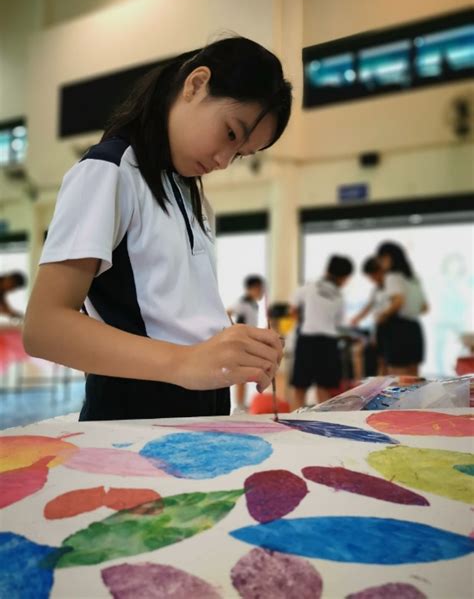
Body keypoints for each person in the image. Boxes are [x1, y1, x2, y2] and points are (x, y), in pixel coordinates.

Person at [23, 36, 292, 421]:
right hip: (136, 409)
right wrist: (187, 362)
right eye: (230, 133)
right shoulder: (109, 170)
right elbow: (43, 327)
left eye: (240, 155)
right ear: (196, 84)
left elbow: (176, 308)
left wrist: (239, 344)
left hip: (204, 402)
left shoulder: (188, 191)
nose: (223, 160)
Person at [290, 255, 354, 409]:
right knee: (324, 388)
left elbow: (292, 308)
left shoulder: (310, 286)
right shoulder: (339, 296)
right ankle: (322, 424)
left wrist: (303, 321)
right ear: (343, 277)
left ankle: (294, 420)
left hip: (307, 339)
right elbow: (338, 323)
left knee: (300, 387)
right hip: (328, 343)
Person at [376, 241, 429, 376]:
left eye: (381, 260)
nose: (381, 264)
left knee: (398, 377)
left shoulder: (392, 276)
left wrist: (383, 315)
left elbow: (398, 301)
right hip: (414, 328)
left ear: (387, 257)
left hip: (398, 329)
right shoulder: (414, 278)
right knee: (413, 377)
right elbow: (425, 307)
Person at [227, 274, 265, 413]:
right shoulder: (242, 302)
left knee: (245, 375)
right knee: (240, 376)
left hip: (250, 341)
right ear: (253, 288)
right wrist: (234, 329)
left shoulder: (253, 304)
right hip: (242, 342)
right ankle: (239, 405)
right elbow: (227, 312)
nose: (261, 292)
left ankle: (241, 404)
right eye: (260, 289)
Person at [350, 256, 389, 376]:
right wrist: (357, 318)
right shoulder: (376, 289)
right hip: (379, 328)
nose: (371, 280)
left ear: (379, 271)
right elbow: (369, 305)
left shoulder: (392, 286)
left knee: (386, 362)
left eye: (372, 276)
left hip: (391, 328)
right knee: (378, 361)